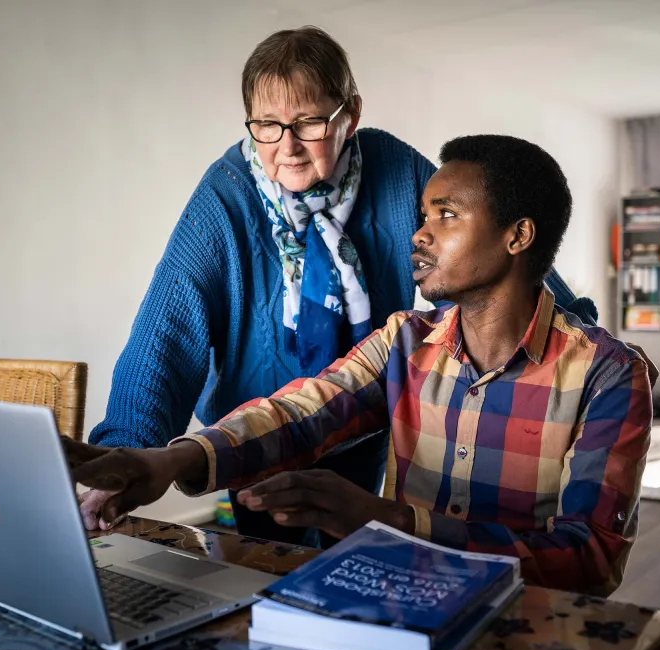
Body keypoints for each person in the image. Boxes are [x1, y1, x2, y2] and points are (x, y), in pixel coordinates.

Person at [71, 26, 606, 545]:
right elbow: (167, 329)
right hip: (250, 435)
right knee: (270, 563)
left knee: (354, 555)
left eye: (308, 123)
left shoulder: (394, 169)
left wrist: (573, 334)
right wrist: (126, 451)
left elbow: (485, 246)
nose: (288, 147)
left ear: (350, 114)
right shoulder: (226, 195)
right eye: (267, 125)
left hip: (363, 416)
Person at [69, 134, 653, 595]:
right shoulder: (405, 341)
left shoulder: (607, 374)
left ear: (517, 236)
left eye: (445, 215)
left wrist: (382, 520)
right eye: (423, 214)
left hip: (532, 639)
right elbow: (298, 414)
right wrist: (170, 459)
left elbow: (588, 559)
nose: (418, 234)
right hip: (398, 618)